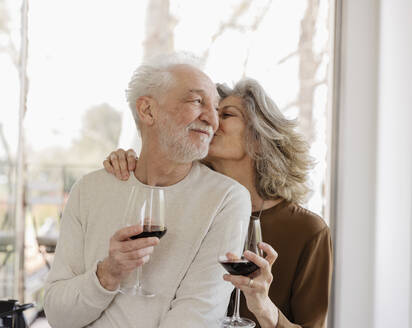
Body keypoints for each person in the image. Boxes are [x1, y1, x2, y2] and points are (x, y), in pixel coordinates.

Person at [104, 78, 333, 327]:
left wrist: (264, 307)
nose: (211, 121)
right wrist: (131, 164)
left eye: (226, 114)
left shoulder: (307, 230)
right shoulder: (192, 207)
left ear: (259, 135)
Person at [43, 53, 252, 328]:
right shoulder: (89, 190)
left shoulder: (227, 199)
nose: (213, 120)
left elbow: (198, 314)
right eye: (196, 101)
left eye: (215, 107)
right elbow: (58, 316)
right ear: (148, 111)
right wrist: (108, 273)